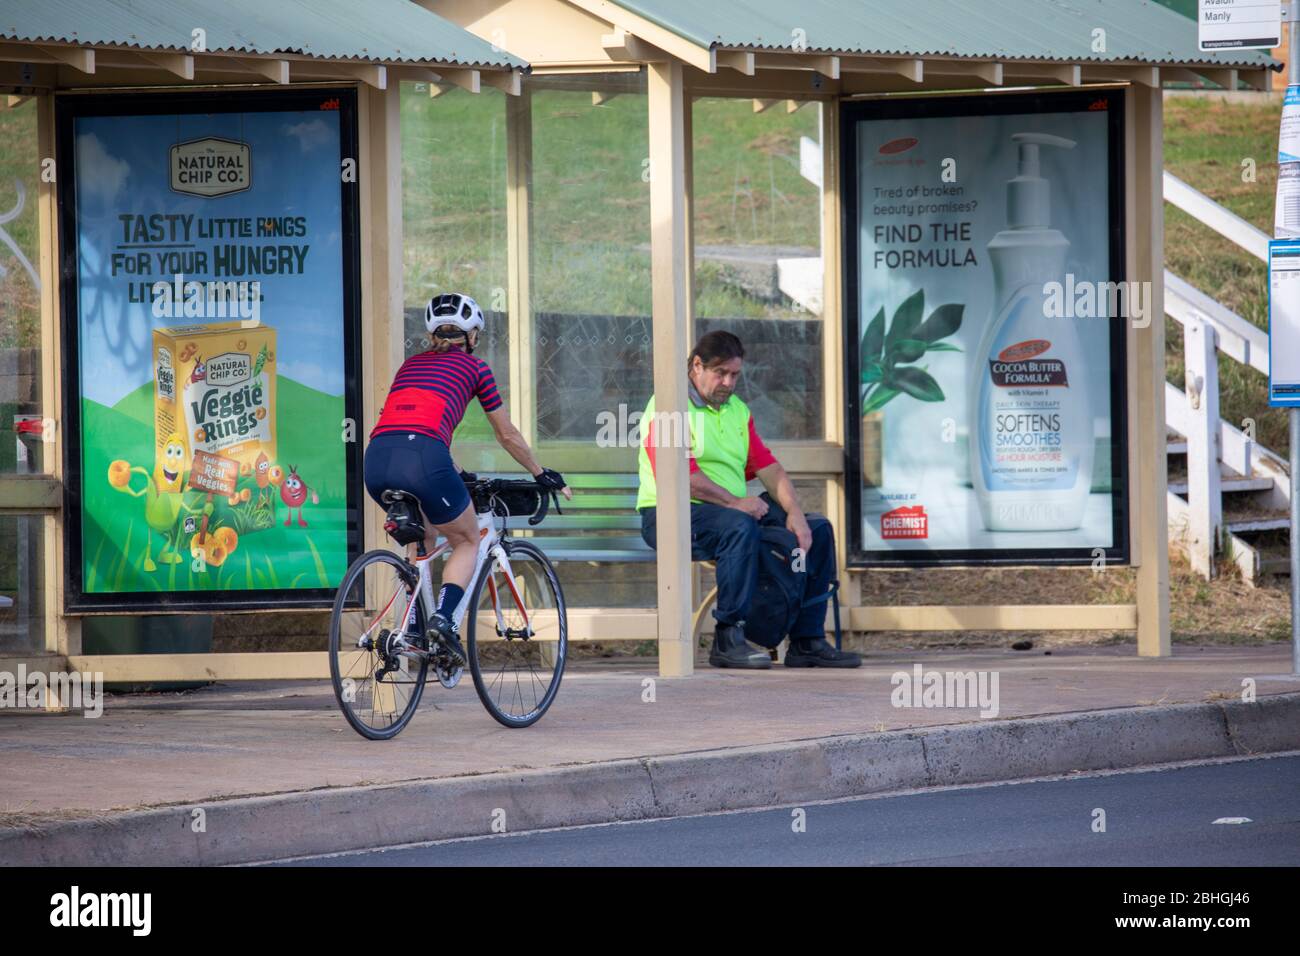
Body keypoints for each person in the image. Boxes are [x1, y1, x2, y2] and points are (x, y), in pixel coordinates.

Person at [363, 293, 570, 664]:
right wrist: (541, 472)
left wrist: (455, 471)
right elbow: (506, 434)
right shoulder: (476, 369)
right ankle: (443, 621)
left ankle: (412, 629)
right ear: (472, 336)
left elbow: (408, 426)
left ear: (432, 335)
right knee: (467, 538)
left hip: (377, 459)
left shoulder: (409, 366)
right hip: (425, 458)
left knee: (422, 538)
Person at [637, 330, 860, 669]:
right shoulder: (668, 407)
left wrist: (795, 512)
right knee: (740, 525)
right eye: (720, 373)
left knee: (818, 528)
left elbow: (768, 467)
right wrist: (734, 502)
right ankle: (728, 637)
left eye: (735, 374)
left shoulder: (737, 411)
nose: (728, 382)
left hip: (727, 513)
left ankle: (807, 640)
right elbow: (682, 478)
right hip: (671, 516)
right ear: (697, 366)